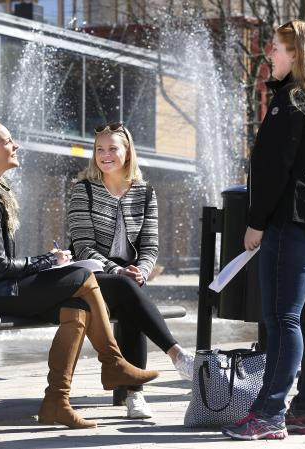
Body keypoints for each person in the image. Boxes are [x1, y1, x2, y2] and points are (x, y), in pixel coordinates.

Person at [0, 120, 158, 430]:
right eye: (8, 141)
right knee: (82, 278)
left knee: (76, 308)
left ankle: (56, 403)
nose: (16, 145)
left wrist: (49, 263)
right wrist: (48, 260)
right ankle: (114, 364)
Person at [222, 20, 305, 440]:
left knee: (282, 319)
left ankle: (268, 414)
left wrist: (255, 223)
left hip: (292, 221)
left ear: (295, 54)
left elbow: (272, 168)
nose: (269, 55)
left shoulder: (290, 101)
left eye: (276, 48)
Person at [68, 122, 195, 419]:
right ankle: (176, 357)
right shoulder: (82, 191)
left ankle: (134, 394)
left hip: (128, 278)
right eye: (99, 149)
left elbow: (150, 245)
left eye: (112, 148)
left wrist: (142, 269)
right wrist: (117, 270)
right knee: (128, 289)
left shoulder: (144, 192)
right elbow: (83, 246)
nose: (105, 154)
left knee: (132, 293)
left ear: (128, 153)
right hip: (91, 275)